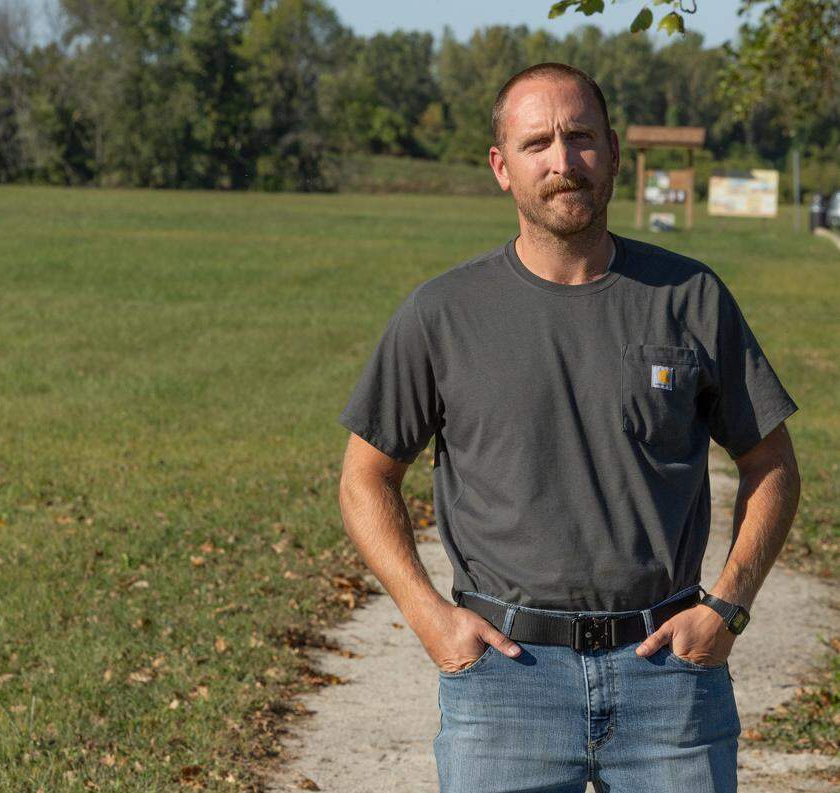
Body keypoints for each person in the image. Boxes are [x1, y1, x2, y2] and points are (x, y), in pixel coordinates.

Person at [336, 62, 801, 793]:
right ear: (501, 167)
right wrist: (427, 614)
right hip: (502, 680)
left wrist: (728, 608)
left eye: (580, 137)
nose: (563, 161)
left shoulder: (691, 297)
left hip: (670, 679)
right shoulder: (442, 313)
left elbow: (771, 462)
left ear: (613, 151)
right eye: (537, 143)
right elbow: (365, 475)